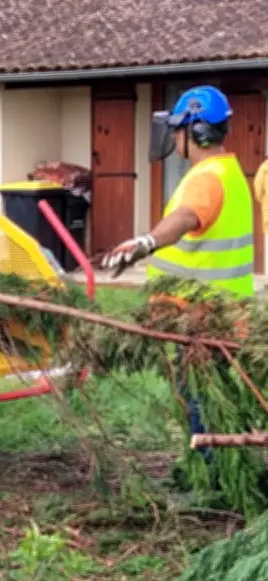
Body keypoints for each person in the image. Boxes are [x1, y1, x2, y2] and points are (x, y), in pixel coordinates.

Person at [100, 85, 255, 462]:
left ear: (196, 131)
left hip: (200, 319)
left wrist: (146, 242)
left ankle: (212, 476)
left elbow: (185, 218)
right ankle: (224, 468)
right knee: (214, 399)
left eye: (178, 129)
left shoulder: (206, 178)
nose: (173, 137)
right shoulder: (229, 171)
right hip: (219, 314)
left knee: (200, 402)